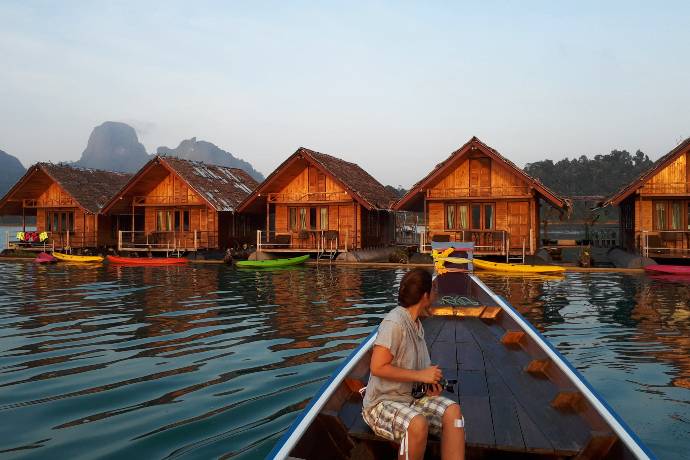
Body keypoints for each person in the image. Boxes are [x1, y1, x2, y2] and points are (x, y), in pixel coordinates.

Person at [362, 268, 465, 460]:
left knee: (453, 413)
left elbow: (414, 374)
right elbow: (377, 367)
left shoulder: (417, 325)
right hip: (381, 404)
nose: (436, 295)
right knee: (417, 424)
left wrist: (427, 387)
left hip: (410, 400)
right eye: (434, 291)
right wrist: (421, 376)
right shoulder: (395, 323)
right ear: (425, 295)